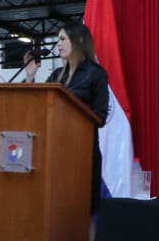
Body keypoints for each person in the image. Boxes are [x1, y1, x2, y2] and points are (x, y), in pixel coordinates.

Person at [25, 22, 110, 214]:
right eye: (58, 40)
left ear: (79, 40)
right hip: (55, 153)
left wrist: (74, 112)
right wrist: (30, 77)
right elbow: (35, 105)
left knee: (85, 212)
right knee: (59, 212)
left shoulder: (96, 74)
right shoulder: (57, 76)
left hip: (83, 154)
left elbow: (100, 116)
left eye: (63, 39)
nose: (59, 44)